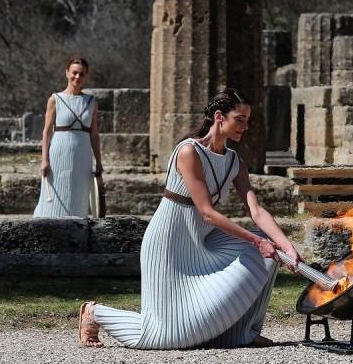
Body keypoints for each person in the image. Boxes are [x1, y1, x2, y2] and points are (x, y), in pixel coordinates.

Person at [78, 88, 301, 349]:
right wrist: (256, 240)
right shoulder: (189, 152)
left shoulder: (235, 162)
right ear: (220, 117)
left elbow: (257, 211)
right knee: (165, 336)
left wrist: (286, 246)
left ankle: (242, 334)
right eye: (239, 119)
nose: (245, 126)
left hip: (203, 243)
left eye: (247, 121)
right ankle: (95, 313)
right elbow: (207, 212)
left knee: (269, 252)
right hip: (168, 244)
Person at [33, 56, 102, 218]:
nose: (77, 77)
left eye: (82, 74)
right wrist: (44, 160)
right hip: (59, 154)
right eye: (74, 73)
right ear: (67, 73)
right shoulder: (55, 99)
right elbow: (47, 132)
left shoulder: (91, 102)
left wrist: (99, 161)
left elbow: (94, 134)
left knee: (78, 195)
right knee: (54, 196)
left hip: (83, 155)